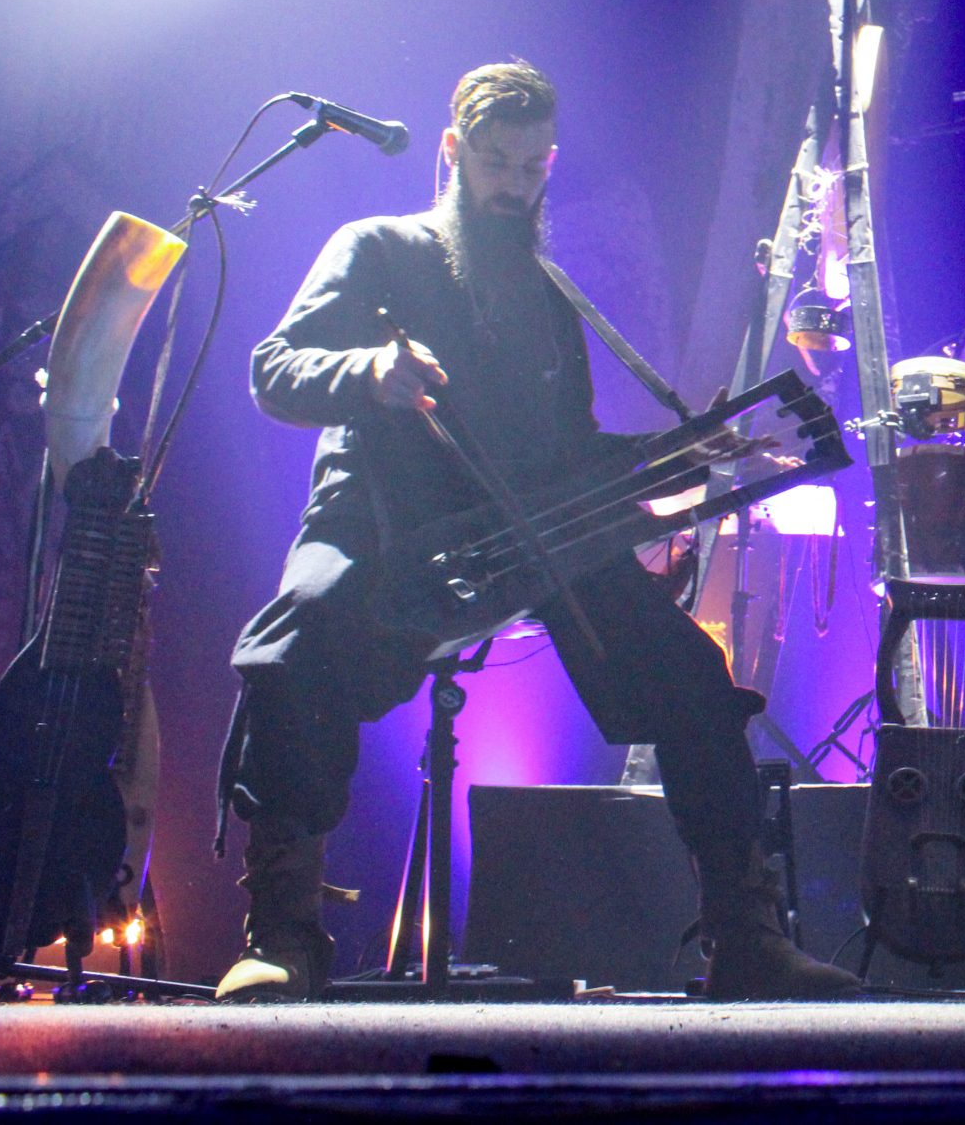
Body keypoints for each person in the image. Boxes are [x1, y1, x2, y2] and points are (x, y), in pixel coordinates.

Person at [216, 61, 856, 1001]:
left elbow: (574, 454)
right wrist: (369, 371)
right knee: (297, 633)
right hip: (384, 517)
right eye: (495, 163)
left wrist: (679, 455)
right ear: (452, 152)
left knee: (690, 673)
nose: (513, 187)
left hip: (526, 532)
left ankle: (747, 938)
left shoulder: (549, 301)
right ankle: (283, 936)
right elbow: (274, 368)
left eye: (531, 167)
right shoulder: (377, 248)